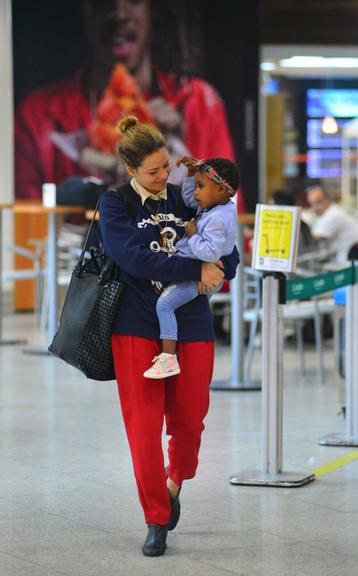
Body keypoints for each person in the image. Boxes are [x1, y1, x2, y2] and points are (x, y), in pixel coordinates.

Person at [99, 116, 239, 556]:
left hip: (192, 322)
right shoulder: (115, 203)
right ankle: (155, 517)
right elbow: (134, 259)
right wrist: (194, 267)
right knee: (143, 429)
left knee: (190, 420)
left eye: (166, 167)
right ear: (131, 170)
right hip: (135, 324)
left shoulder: (188, 197)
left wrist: (217, 266)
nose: (164, 177)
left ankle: (175, 482)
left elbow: (228, 256)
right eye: (154, 171)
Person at [15, 0, 242, 207]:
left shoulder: (199, 101)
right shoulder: (37, 115)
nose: (119, 14)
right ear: (85, 9)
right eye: (104, 2)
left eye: (133, 1)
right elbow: (28, 225)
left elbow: (228, 205)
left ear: (153, 9)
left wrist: (184, 153)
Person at [143, 155, 239, 379]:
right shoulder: (218, 207)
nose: (196, 192)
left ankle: (168, 358)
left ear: (222, 190)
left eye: (201, 186)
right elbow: (189, 200)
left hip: (198, 275)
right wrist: (189, 175)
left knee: (164, 305)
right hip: (203, 275)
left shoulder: (217, 219)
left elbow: (211, 253)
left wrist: (192, 235)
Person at [306, 185, 358, 261]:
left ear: (328, 199)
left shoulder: (333, 214)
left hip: (348, 263)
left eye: (318, 202)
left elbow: (312, 240)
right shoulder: (327, 213)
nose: (315, 207)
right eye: (312, 203)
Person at [271, 189, 316, 257]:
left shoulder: (285, 227)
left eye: (271, 205)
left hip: (297, 265)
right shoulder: (301, 224)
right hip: (306, 265)